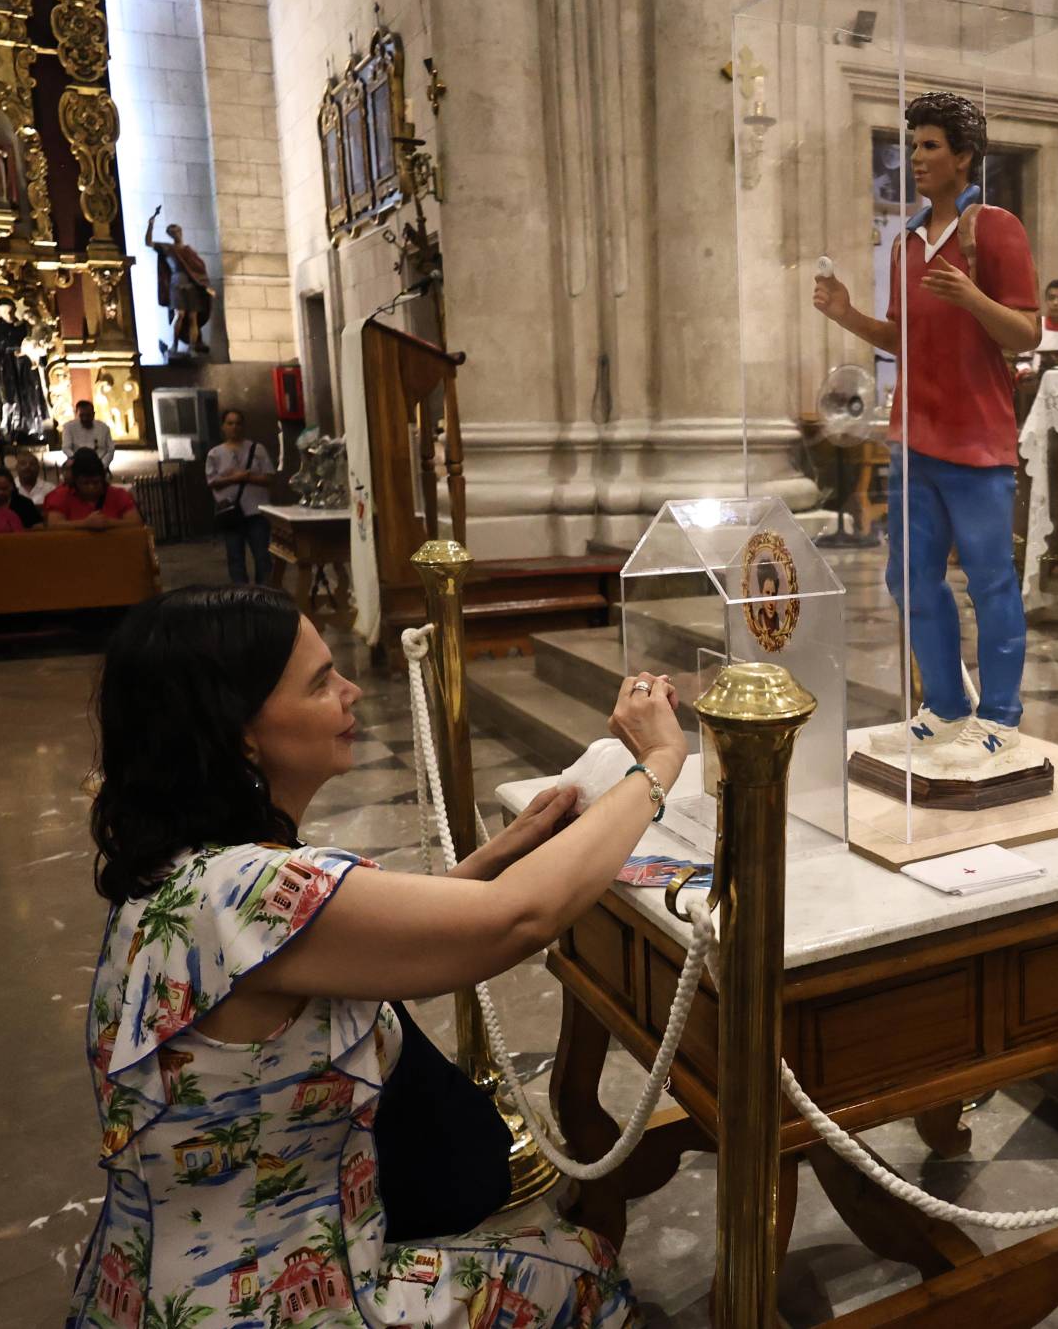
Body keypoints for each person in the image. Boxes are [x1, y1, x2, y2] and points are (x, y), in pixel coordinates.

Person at [72, 585, 675, 1327]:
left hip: (148, 1290)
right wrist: (658, 764)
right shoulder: (253, 890)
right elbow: (520, 919)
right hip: (278, 1303)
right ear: (242, 734)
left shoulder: (183, 869)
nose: (352, 690)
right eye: (321, 681)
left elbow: (359, 937)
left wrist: (506, 850)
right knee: (587, 1270)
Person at [812, 91, 1041, 772]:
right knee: (909, 576)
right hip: (914, 436)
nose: (915, 157)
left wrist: (973, 297)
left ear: (964, 156)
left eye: (930, 146)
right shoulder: (905, 241)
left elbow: (1026, 332)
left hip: (977, 437)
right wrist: (847, 314)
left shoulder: (995, 228)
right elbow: (901, 337)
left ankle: (1000, 718)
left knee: (990, 580)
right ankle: (944, 706)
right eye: (912, 146)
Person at [206, 406, 278, 584]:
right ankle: (242, 595)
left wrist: (248, 477)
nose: (234, 427)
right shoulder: (215, 454)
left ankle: (264, 594)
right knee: (235, 558)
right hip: (231, 515)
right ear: (223, 426)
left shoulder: (257, 449)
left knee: (262, 557)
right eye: (230, 423)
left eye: (238, 423)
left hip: (256, 513)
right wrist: (235, 478)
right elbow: (212, 481)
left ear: (243, 426)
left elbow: (269, 477)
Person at [0, 297, 51, 447]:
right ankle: (9, 431)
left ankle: (32, 430)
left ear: (14, 310)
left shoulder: (26, 326)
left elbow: (38, 342)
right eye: (3, 311)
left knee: (29, 397)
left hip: (26, 366)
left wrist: (38, 352)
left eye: (9, 310)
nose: (7, 313)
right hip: (4, 367)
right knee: (8, 399)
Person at [145, 206, 212, 355]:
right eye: (173, 232)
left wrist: (204, 285)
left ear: (180, 232)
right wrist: (150, 225)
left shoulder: (189, 251)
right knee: (179, 315)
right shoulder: (167, 248)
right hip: (176, 285)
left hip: (191, 286)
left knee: (193, 317)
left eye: (177, 231)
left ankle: (192, 347)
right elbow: (148, 243)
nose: (176, 234)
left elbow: (198, 269)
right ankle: (174, 345)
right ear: (170, 235)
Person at [45, 449, 141, 530]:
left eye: (96, 482)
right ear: (76, 482)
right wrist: (85, 523)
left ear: (103, 480)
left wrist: (109, 522)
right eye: (85, 483)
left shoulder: (119, 494)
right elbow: (53, 525)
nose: (91, 487)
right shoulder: (61, 496)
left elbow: (136, 523)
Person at [0, 464, 42, 529]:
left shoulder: (25, 504)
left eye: (5, 488)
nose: (0, 492)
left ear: (12, 486)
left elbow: (38, 527)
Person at [61, 399, 116, 467]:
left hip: (98, 462)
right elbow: (66, 448)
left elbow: (110, 449)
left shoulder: (104, 428)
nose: (85, 418)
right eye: (82, 415)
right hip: (77, 462)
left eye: (88, 415)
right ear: (76, 414)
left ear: (93, 414)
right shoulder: (68, 427)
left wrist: (103, 465)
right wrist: (75, 459)